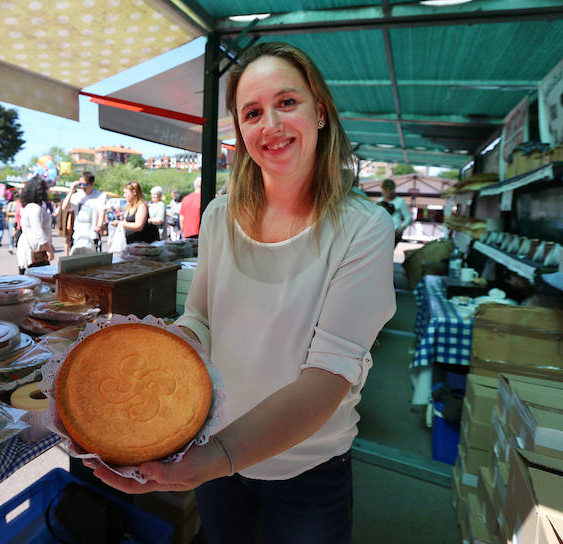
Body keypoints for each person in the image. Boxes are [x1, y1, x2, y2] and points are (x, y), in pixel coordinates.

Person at [87, 42, 395, 544]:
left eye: (287, 103)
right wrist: (151, 364)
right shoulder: (218, 217)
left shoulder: (364, 228)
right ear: (242, 133)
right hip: (215, 454)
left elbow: (329, 375)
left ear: (320, 112)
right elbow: (201, 318)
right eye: (252, 113)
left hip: (307, 468)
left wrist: (218, 457)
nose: (270, 123)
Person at [16, 176, 55, 274]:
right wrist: (49, 249)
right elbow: (38, 231)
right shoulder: (34, 207)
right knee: (39, 282)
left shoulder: (30, 206)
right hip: (36, 249)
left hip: (33, 248)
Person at [61, 171, 106, 253]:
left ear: (92, 184)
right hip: (78, 235)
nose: (82, 187)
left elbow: (102, 212)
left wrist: (99, 226)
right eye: (80, 184)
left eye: (85, 184)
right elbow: (64, 207)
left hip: (92, 235)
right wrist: (71, 190)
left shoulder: (100, 196)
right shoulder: (77, 196)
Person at [377, 178, 412, 244]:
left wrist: (402, 228)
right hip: (380, 231)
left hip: (395, 232)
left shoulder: (400, 201)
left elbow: (408, 217)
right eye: (385, 189)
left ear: (393, 189)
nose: (387, 191)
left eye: (389, 189)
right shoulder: (379, 201)